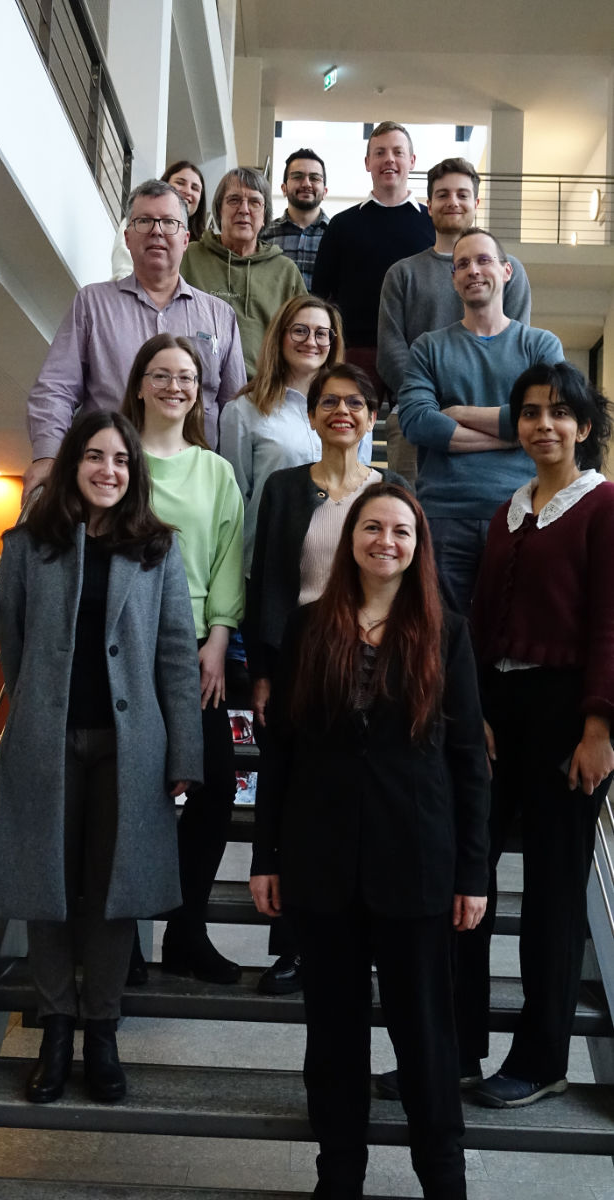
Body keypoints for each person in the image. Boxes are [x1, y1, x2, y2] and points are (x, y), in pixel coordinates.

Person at [250, 481, 489, 1199]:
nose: (386, 540)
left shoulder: (444, 630)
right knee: (331, 1037)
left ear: (417, 548)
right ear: (350, 538)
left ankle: (442, 1180)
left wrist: (473, 872)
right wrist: (266, 855)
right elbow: (281, 750)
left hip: (415, 862)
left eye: (401, 531)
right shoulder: (306, 626)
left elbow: (468, 761)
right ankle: (339, 1174)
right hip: (321, 866)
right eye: (372, 527)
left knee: (425, 1036)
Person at [0, 411, 203, 1105]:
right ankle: (54, 1029)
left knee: (113, 895)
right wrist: (41, 712)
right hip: (47, 744)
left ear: (134, 474)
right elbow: (12, 647)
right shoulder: (26, 546)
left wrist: (184, 756)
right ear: (74, 463)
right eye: (95, 457)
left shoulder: (157, 549)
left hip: (130, 751)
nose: (109, 470)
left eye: (122, 461)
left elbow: (175, 658)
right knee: (46, 892)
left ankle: (101, 1032)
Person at [468, 361, 614, 1108]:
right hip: (498, 712)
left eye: (560, 412)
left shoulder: (603, 506)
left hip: (569, 718)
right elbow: (481, 623)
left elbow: (611, 625)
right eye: (529, 412)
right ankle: (458, 1048)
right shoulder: (509, 510)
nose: (543, 424)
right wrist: (479, 713)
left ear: (584, 427)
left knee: (553, 896)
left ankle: (540, 1058)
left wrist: (599, 728)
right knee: (467, 879)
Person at [244, 364, 402, 997]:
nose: (343, 411)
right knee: (297, 796)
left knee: (359, 794)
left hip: (372, 659)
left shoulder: (388, 491)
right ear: (311, 417)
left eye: (356, 403)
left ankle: (360, 938)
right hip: (300, 657)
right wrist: (262, 672)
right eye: (329, 402)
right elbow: (268, 581)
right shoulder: (284, 488)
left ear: (371, 418)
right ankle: (292, 948)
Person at [122, 332, 244, 984]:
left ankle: (186, 932)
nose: (175, 386)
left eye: (188, 378)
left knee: (216, 787)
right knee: (133, 795)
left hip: (194, 650)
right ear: (140, 383)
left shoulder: (215, 470)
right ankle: (127, 945)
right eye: (162, 375)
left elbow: (228, 560)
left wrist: (219, 640)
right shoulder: (116, 461)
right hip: (124, 649)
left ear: (200, 392)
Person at [24, 178, 246, 498]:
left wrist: (233, 484)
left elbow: (234, 412)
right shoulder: (92, 304)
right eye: (144, 221)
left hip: (195, 488)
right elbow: (55, 389)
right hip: (109, 483)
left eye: (168, 222)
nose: (156, 231)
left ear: (186, 238)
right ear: (127, 237)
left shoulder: (220, 316)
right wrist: (48, 456)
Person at [398, 226, 563, 613]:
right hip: (443, 517)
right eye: (463, 264)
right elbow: (418, 421)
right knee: (444, 644)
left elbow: (549, 418)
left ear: (506, 271)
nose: (473, 270)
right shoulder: (428, 347)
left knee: (514, 638)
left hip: (521, 512)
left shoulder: (541, 345)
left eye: (484, 260)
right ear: (453, 278)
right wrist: (515, 433)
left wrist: (456, 414)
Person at [377, 157, 532, 483]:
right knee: (411, 526)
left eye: (462, 195)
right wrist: (431, 413)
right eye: (443, 195)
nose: (453, 202)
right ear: (429, 205)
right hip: (415, 421)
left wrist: (472, 417)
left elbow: (515, 348)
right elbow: (391, 353)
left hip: (494, 419)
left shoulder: (509, 272)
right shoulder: (402, 273)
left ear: (476, 203)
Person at [219, 295, 367, 576]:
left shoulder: (352, 410)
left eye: (322, 334)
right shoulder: (242, 412)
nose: (311, 341)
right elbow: (234, 503)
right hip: (267, 564)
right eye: (300, 330)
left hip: (336, 566)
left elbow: (360, 487)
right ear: (280, 336)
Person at [312, 121, 434, 389]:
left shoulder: (433, 223)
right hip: (356, 352)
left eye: (397, 152)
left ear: (412, 161)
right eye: (380, 152)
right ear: (367, 162)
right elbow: (320, 296)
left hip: (420, 353)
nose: (388, 159)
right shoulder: (342, 225)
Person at [181, 167, 307, 375]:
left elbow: (301, 338)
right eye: (234, 200)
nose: (244, 209)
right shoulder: (188, 257)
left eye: (255, 202)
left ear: (265, 216)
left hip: (261, 393)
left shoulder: (286, 272)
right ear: (219, 209)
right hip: (194, 385)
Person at [112, 160, 207, 279]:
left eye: (195, 188)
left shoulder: (204, 245)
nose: (188, 191)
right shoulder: (137, 223)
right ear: (164, 184)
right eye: (180, 183)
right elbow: (124, 270)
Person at [261, 148, 329, 290]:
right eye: (297, 176)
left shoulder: (337, 235)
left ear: (325, 191)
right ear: (284, 188)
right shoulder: (263, 235)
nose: (306, 184)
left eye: (315, 178)